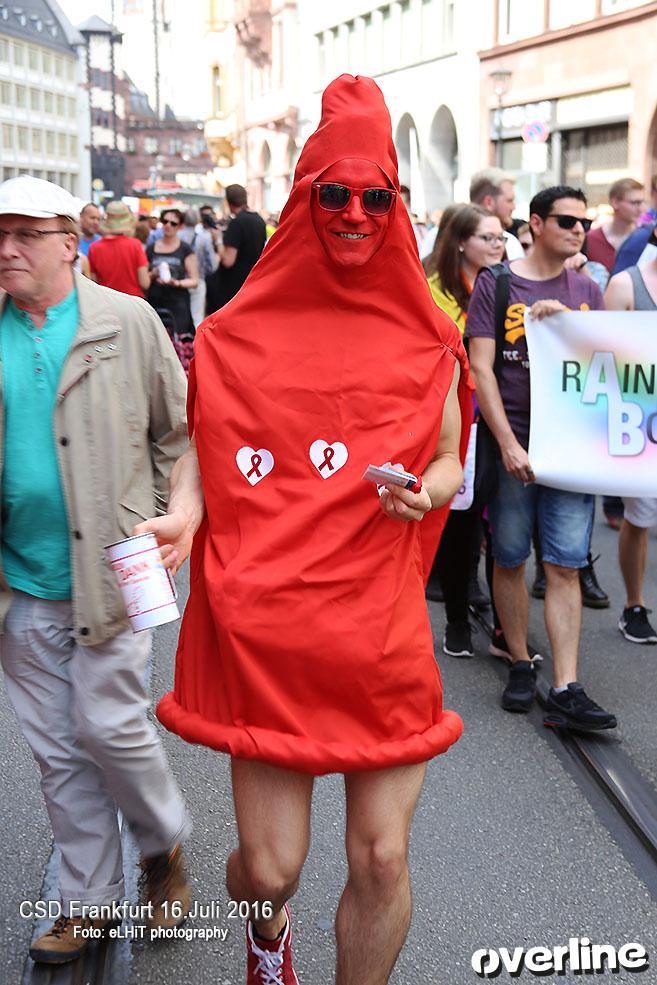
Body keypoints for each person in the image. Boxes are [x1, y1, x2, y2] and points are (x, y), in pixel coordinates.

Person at [139, 74, 473, 985]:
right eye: (335, 193)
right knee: (270, 870)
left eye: (376, 196)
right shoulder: (237, 335)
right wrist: (182, 514)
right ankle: (263, 932)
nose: (355, 213)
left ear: (396, 204)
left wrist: (428, 490)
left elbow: (448, 457)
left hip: (377, 627)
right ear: (304, 197)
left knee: (380, 859)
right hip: (271, 627)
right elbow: (207, 453)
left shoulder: (428, 335)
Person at [0, 175, 191, 964]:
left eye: (24, 234)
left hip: (117, 567)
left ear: (67, 243)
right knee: (55, 749)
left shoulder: (127, 320)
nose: (7, 249)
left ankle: (163, 849)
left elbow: (181, 437)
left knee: (110, 726)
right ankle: (89, 903)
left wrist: (181, 512)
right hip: (20, 583)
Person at [467, 185, 617, 731]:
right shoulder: (498, 282)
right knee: (508, 556)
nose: (578, 229)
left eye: (583, 221)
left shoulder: (586, 289)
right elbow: (481, 368)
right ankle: (520, 661)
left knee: (564, 563)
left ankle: (566, 684)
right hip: (517, 441)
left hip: (570, 451)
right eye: (566, 220)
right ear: (535, 223)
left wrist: (566, 325)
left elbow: (605, 369)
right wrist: (507, 443)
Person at [425, 204, 505, 656]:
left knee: (493, 522)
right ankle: (458, 615)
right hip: (457, 415)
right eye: (487, 238)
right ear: (460, 241)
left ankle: (483, 605)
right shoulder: (436, 292)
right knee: (461, 519)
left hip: (497, 414)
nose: (498, 245)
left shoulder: (504, 284)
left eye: (500, 238)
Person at [604, 253, 657, 644]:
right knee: (639, 517)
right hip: (641, 424)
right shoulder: (626, 285)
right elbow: (605, 357)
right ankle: (634, 605)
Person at [205, 184, 266, 313]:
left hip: (233, 287)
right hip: (252, 282)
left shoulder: (237, 222)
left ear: (228, 201)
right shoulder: (259, 220)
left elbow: (228, 260)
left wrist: (218, 240)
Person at [146, 207, 199, 336]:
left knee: (177, 343)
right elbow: (144, 278)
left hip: (178, 303)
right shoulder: (151, 248)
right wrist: (154, 273)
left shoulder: (185, 249)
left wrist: (177, 283)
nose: (168, 225)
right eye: (165, 221)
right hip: (155, 301)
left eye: (173, 223)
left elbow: (194, 280)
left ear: (180, 226)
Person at [88, 200, 150, 297]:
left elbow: (93, 281)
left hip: (106, 303)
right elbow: (144, 283)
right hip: (133, 303)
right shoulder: (135, 245)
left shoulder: (94, 247)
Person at [585, 177, 644, 274]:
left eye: (642, 202)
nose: (640, 209)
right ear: (615, 202)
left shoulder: (645, 239)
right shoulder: (591, 239)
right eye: (634, 203)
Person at [469, 168, 524, 260]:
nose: (513, 207)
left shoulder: (512, 244)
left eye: (500, 238)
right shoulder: (447, 237)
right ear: (489, 202)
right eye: (509, 200)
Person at [178, 207, 217, 326]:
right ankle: (194, 344)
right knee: (197, 318)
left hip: (179, 281)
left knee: (179, 316)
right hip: (198, 280)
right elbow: (212, 265)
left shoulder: (177, 236)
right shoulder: (204, 238)